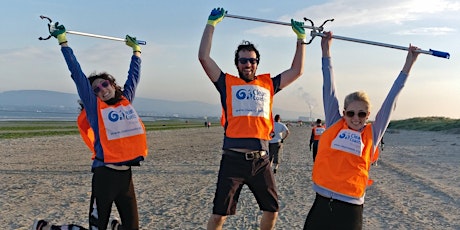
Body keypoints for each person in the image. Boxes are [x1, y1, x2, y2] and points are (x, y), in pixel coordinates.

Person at [31, 21, 147, 230]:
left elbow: (134, 78)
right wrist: (63, 41)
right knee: (96, 228)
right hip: (105, 175)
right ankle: (47, 228)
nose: (102, 89)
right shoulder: (95, 108)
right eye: (96, 88)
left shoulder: (125, 101)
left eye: (105, 83)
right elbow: (77, 74)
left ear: (113, 85)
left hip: (126, 177)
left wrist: (136, 51)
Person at [198, 7, 306, 230]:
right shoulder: (226, 83)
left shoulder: (268, 84)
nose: (248, 64)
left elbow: (296, 70)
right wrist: (211, 25)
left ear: (257, 63)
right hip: (232, 160)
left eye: (252, 60)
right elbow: (204, 57)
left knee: (272, 210)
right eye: (243, 60)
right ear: (237, 63)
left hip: (261, 160)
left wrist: (300, 40)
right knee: (219, 215)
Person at [303, 31, 420, 230]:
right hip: (322, 202)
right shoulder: (334, 123)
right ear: (343, 112)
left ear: (368, 115)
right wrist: (326, 50)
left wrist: (408, 64)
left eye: (362, 114)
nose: (356, 118)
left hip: (350, 208)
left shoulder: (372, 134)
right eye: (351, 113)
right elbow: (328, 86)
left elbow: (391, 99)